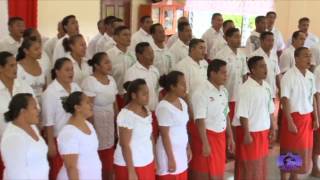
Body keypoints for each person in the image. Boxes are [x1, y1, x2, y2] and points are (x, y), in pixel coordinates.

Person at [232, 56, 277, 180]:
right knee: (248, 165)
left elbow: (270, 109)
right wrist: (246, 134)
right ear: (252, 70)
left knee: (260, 164)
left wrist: (273, 127)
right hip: (250, 134)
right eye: (261, 66)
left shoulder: (266, 86)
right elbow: (242, 114)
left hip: (263, 132)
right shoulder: (245, 89)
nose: (265, 69)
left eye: (265, 65)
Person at [190, 60, 235, 180]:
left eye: (226, 73)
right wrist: (205, 143)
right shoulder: (201, 92)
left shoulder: (224, 91)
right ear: (212, 73)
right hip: (206, 137)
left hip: (220, 138)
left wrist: (230, 136)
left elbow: (226, 114)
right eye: (223, 73)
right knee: (205, 172)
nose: (226, 76)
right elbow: (200, 120)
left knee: (218, 171)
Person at [280, 47, 319, 180]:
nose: (309, 59)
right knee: (289, 152)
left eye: (310, 56)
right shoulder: (289, 76)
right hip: (293, 118)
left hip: (307, 119)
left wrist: (316, 118)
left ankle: (294, 178)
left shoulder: (310, 76)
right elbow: (284, 100)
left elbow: (312, 97)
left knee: (301, 152)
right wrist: (290, 122)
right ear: (296, 58)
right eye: (305, 56)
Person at [41, 57, 81, 180]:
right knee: (60, 171)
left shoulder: (75, 87)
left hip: (76, 135)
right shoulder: (51, 92)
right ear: (57, 72)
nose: (71, 73)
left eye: (72, 70)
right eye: (67, 70)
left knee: (76, 168)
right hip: (59, 138)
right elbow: (48, 120)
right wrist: (51, 144)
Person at [81, 52, 118, 180]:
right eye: (106, 62)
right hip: (97, 122)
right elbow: (88, 107)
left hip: (109, 122)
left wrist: (116, 122)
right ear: (96, 66)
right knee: (100, 155)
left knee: (109, 154)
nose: (109, 65)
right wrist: (91, 129)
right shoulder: (90, 81)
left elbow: (114, 103)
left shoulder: (111, 80)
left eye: (109, 62)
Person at [0, 51, 35, 180]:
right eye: (11, 66)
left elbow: (36, 114)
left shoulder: (25, 88)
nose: (15, 69)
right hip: (4, 145)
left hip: (27, 144)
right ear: (1, 68)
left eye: (16, 65)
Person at [113, 79, 155, 180]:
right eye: (144, 94)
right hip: (130, 165)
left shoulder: (146, 110)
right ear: (134, 95)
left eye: (148, 93)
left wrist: (153, 158)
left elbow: (150, 137)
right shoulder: (126, 115)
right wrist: (131, 171)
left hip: (146, 161)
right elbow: (124, 145)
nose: (147, 96)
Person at [1, 93, 49, 179]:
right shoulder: (13, 138)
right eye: (34, 107)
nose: (38, 110)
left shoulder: (32, 127)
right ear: (22, 111)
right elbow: (16, 175)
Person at [57, 91, 102, 180]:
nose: (91, 105)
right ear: (77, 108)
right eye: (87, 102)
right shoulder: (68, 133)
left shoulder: (88, 125)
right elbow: (71, 167)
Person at [156, 71, 191, 179]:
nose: (185, 87)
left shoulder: (182, 103)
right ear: (172, 86)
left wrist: (188, 146)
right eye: (182, 84)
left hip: (181, 151)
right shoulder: (164, 107)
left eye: (185, 83)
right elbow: (165, 135)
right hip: (168, 154)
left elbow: (183, 128)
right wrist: (170, 158)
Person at [124, 42, 160, 137]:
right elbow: (128, 97)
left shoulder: (155, 70)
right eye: (149, 53)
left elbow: (158, 91)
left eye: (152, 53)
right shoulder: (131, 72)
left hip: (154, 113)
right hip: (139, 115)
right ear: (139, 55)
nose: (152, 56)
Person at [215, 28, 248, 120]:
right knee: (225, 121)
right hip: (226, 95)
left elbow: (244, 75)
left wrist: (245, 92)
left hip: (239, 95)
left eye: (240, 37)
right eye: (236, 37)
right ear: (227, 38)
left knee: (237, 123)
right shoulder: (221, 55)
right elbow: (216, 77)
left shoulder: (242, 54)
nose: (239, 39)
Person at [106, 26, 136, 109]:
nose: (128, 37)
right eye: (125, 35)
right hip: (116, 95)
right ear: (116, 37)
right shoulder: (109, 55)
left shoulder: (133, 54)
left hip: (132, 95)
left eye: (129, 35)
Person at [250, 31, 280, 100]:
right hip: (259, 93)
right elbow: (251, 75)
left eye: (272, 40)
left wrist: (280, 89)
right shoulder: (254, 56)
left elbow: (277, 74)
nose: (271, 43)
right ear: (261, 41)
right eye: (268, 40)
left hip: (272, 92)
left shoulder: (274, 55)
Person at [16, 37, 47, 102]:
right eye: (36, 49)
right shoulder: (18, 68)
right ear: (26, 51)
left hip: (41, 105)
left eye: (40, 48)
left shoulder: (42, 65)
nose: (40, 52)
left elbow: (45, 88)